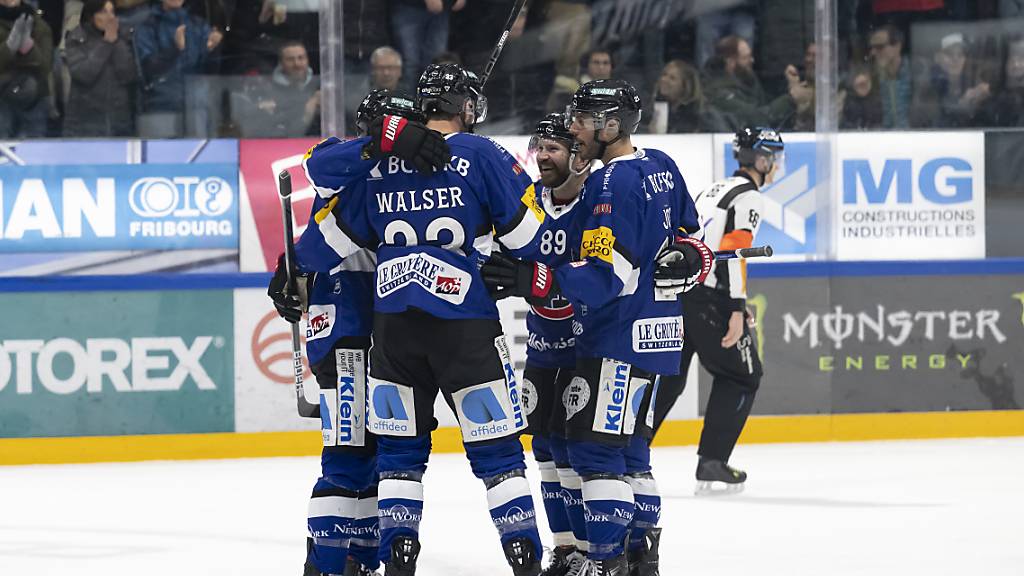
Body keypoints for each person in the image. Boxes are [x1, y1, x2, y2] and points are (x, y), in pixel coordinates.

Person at [296, 62, 554, 576]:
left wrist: (292, 271)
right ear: (467, 107)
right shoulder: (481, 152)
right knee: (499, 454)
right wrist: (487, 238)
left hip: (394, 331)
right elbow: (530, 237)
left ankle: (397, 558)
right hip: (467, 328)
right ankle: (524, 557)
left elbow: (318, 247)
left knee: (398, 455)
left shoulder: (378, 169)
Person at [483, 79, 711, 575]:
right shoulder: (661, 165)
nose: (574, 129)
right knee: (627, 452)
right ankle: (639, 558)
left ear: (611, 126)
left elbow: (609, 275)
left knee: (595, 452)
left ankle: (606, 562)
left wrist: (537, 279)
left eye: (582, 121)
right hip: (655, 333)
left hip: (616, 335)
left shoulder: (610, 183)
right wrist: (693, 257)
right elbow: (690, 236)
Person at [268, 89, 432, 576]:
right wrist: (383, 143)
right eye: (392, 127)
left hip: (390, 333)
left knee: (383, 454)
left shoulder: (415, 179)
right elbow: (318, 166)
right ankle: (325, 563)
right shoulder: (344, 158)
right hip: (347, 332)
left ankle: (358, 560)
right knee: (348, 455)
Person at [654, 126, 783, 496]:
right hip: (709, 295)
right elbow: (734, 251)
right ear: (761, 159)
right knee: (743, 376)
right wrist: (736, 307)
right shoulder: (749, 196)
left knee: (669, 377)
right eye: (773, 157)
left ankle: (624, 456)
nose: (776, 165)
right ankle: (712, 461)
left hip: (681, 291)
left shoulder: (714, 189)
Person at [517, 113, 592, 576]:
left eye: (554, 148)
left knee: (575, 451)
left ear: (578, 155)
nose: (543, 156)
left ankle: (589, 550)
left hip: (586, 349)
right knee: (543, 450)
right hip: (542, 347)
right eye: (539, 147)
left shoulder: (598, 200)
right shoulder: (526, 201)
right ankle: (564, 549)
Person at [133, 0, 223, 137]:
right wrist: (174, 49)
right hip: (161, 108)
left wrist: (213, 49)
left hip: (197, 108)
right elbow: (148, 69)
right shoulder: (148, 27)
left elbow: (211, 70)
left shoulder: (199, 25)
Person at [702, 35, 811, 130]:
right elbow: (757, 118)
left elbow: (766, 103)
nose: (752, 60)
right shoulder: (717, 92)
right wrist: (791, 98)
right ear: (730, 62)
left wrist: (789, 86)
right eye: (746, 57)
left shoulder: (747, 79)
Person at [63, 0, 136, 137]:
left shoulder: (125, 37)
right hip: (83, 124)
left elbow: (128, 75)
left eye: (112, 12)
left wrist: (116, 42)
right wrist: (106, 43)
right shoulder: (76, 38)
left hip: (119, 122)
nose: (110, 17)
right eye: (103, 12)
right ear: (91, 15)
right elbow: (83, 74)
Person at [234, 40, 320, 137]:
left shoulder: (321, 84)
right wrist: (308, 111)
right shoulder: (266, 90)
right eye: (290, 59)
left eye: (301, 58)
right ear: (281, 63)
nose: (297, 64)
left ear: (307, 60)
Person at [0, 0, 54, 138]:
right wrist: (9, 47)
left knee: (34, 148)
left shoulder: (40, 26)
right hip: (2, 99)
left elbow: (45, 66)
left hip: (34, 99)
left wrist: (27, 46)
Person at [868, 24, 912, 129]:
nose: (873, 52)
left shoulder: (917, 73)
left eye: (879, 47)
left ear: (897, 46)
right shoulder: (871, 78)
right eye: (872, 48)